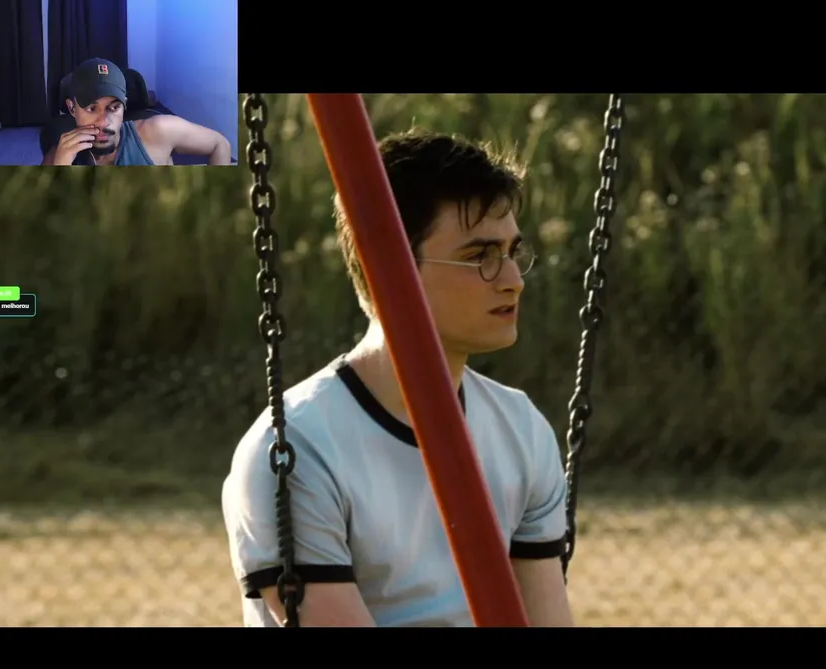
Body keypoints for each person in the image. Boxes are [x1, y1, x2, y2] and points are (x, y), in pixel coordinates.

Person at [221, 129, 575, 627]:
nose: (513, 279)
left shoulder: (521, 428)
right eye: (480, 257)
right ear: (387, 267)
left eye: (513, 252)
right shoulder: (297, 448)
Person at [41, 58, 232, 166]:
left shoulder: (159, 131)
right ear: (72, 108)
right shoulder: (58, 156)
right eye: (91, 108)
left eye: (114, 107)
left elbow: (220, 144)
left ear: (124, 105)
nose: (104, 122)